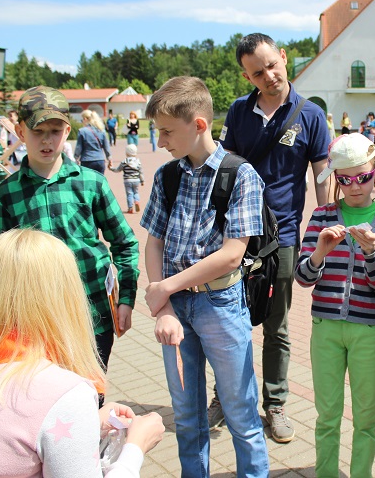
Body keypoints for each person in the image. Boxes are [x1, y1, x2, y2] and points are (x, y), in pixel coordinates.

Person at [0, 229, 164, 477]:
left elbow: (2, 437)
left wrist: (87, 425)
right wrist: (136, 447)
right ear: (66, 296)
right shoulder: (64, 394)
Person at [141, 76, 269, 476]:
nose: (161, 140)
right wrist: (164, 307)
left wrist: (165, 288)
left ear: (199, 124)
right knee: (186, 415)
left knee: (241, 413)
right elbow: (153, 244)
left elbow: (232, 255)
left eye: (167, 131)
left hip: (221, 305)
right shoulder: (167, 176)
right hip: (175, 309)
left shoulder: (240, 175)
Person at [216, 32, 331, 443]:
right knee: (229, 320)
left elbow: (322, 173)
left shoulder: (311, 115)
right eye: (257, 72)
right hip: (236, 234)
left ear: (283, 57)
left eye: (271, 65)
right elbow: (223, 166)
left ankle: (276, 404)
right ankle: (225, 396)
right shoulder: (238, 112)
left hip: (282, 236)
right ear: (246, 77)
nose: (268, 76)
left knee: (277, 325)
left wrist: (324, 221)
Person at [0, 86, 139, 396]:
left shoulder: (91, 183)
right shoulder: (8, 193)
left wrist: (126, 299)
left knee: (91, 396)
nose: (47, 140)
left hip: (92, 316)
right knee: (44, 400)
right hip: (36, 322)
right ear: (20, 131)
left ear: (67, 131)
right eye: (38, 131)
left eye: (55, 131)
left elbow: (125, 242)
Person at [295, 133, 375, 478]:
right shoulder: (322, 216)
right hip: (325, 329)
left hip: (367, 331)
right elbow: (302, 277)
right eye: (345, 180)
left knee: (366, 418)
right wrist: (320, 252)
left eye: (363, 177)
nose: (355, 186)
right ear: (336, 180)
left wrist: (373, 251)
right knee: (327, 415)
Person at [110, 143, 144, 214]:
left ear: (126, 152)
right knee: (136, 192)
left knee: (129, 194)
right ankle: (137, 201)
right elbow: (141, 172)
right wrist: (142, 180)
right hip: (136, 180)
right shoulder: (138, 162)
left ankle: (130, 208)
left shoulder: (124, 162)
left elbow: (117, 170)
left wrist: (111, 168)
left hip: (127, 180)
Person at [76, 109, 112, 175]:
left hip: (87, 160)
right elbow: (106, 146)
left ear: (85, 119)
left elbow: (79, 147)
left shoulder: (82, 131)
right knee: (100, 180)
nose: (82, 121)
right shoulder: (101, 130)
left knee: (88, 180)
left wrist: (75, 158)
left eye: (82, 120)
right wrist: (109, 158)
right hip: (100, 159)